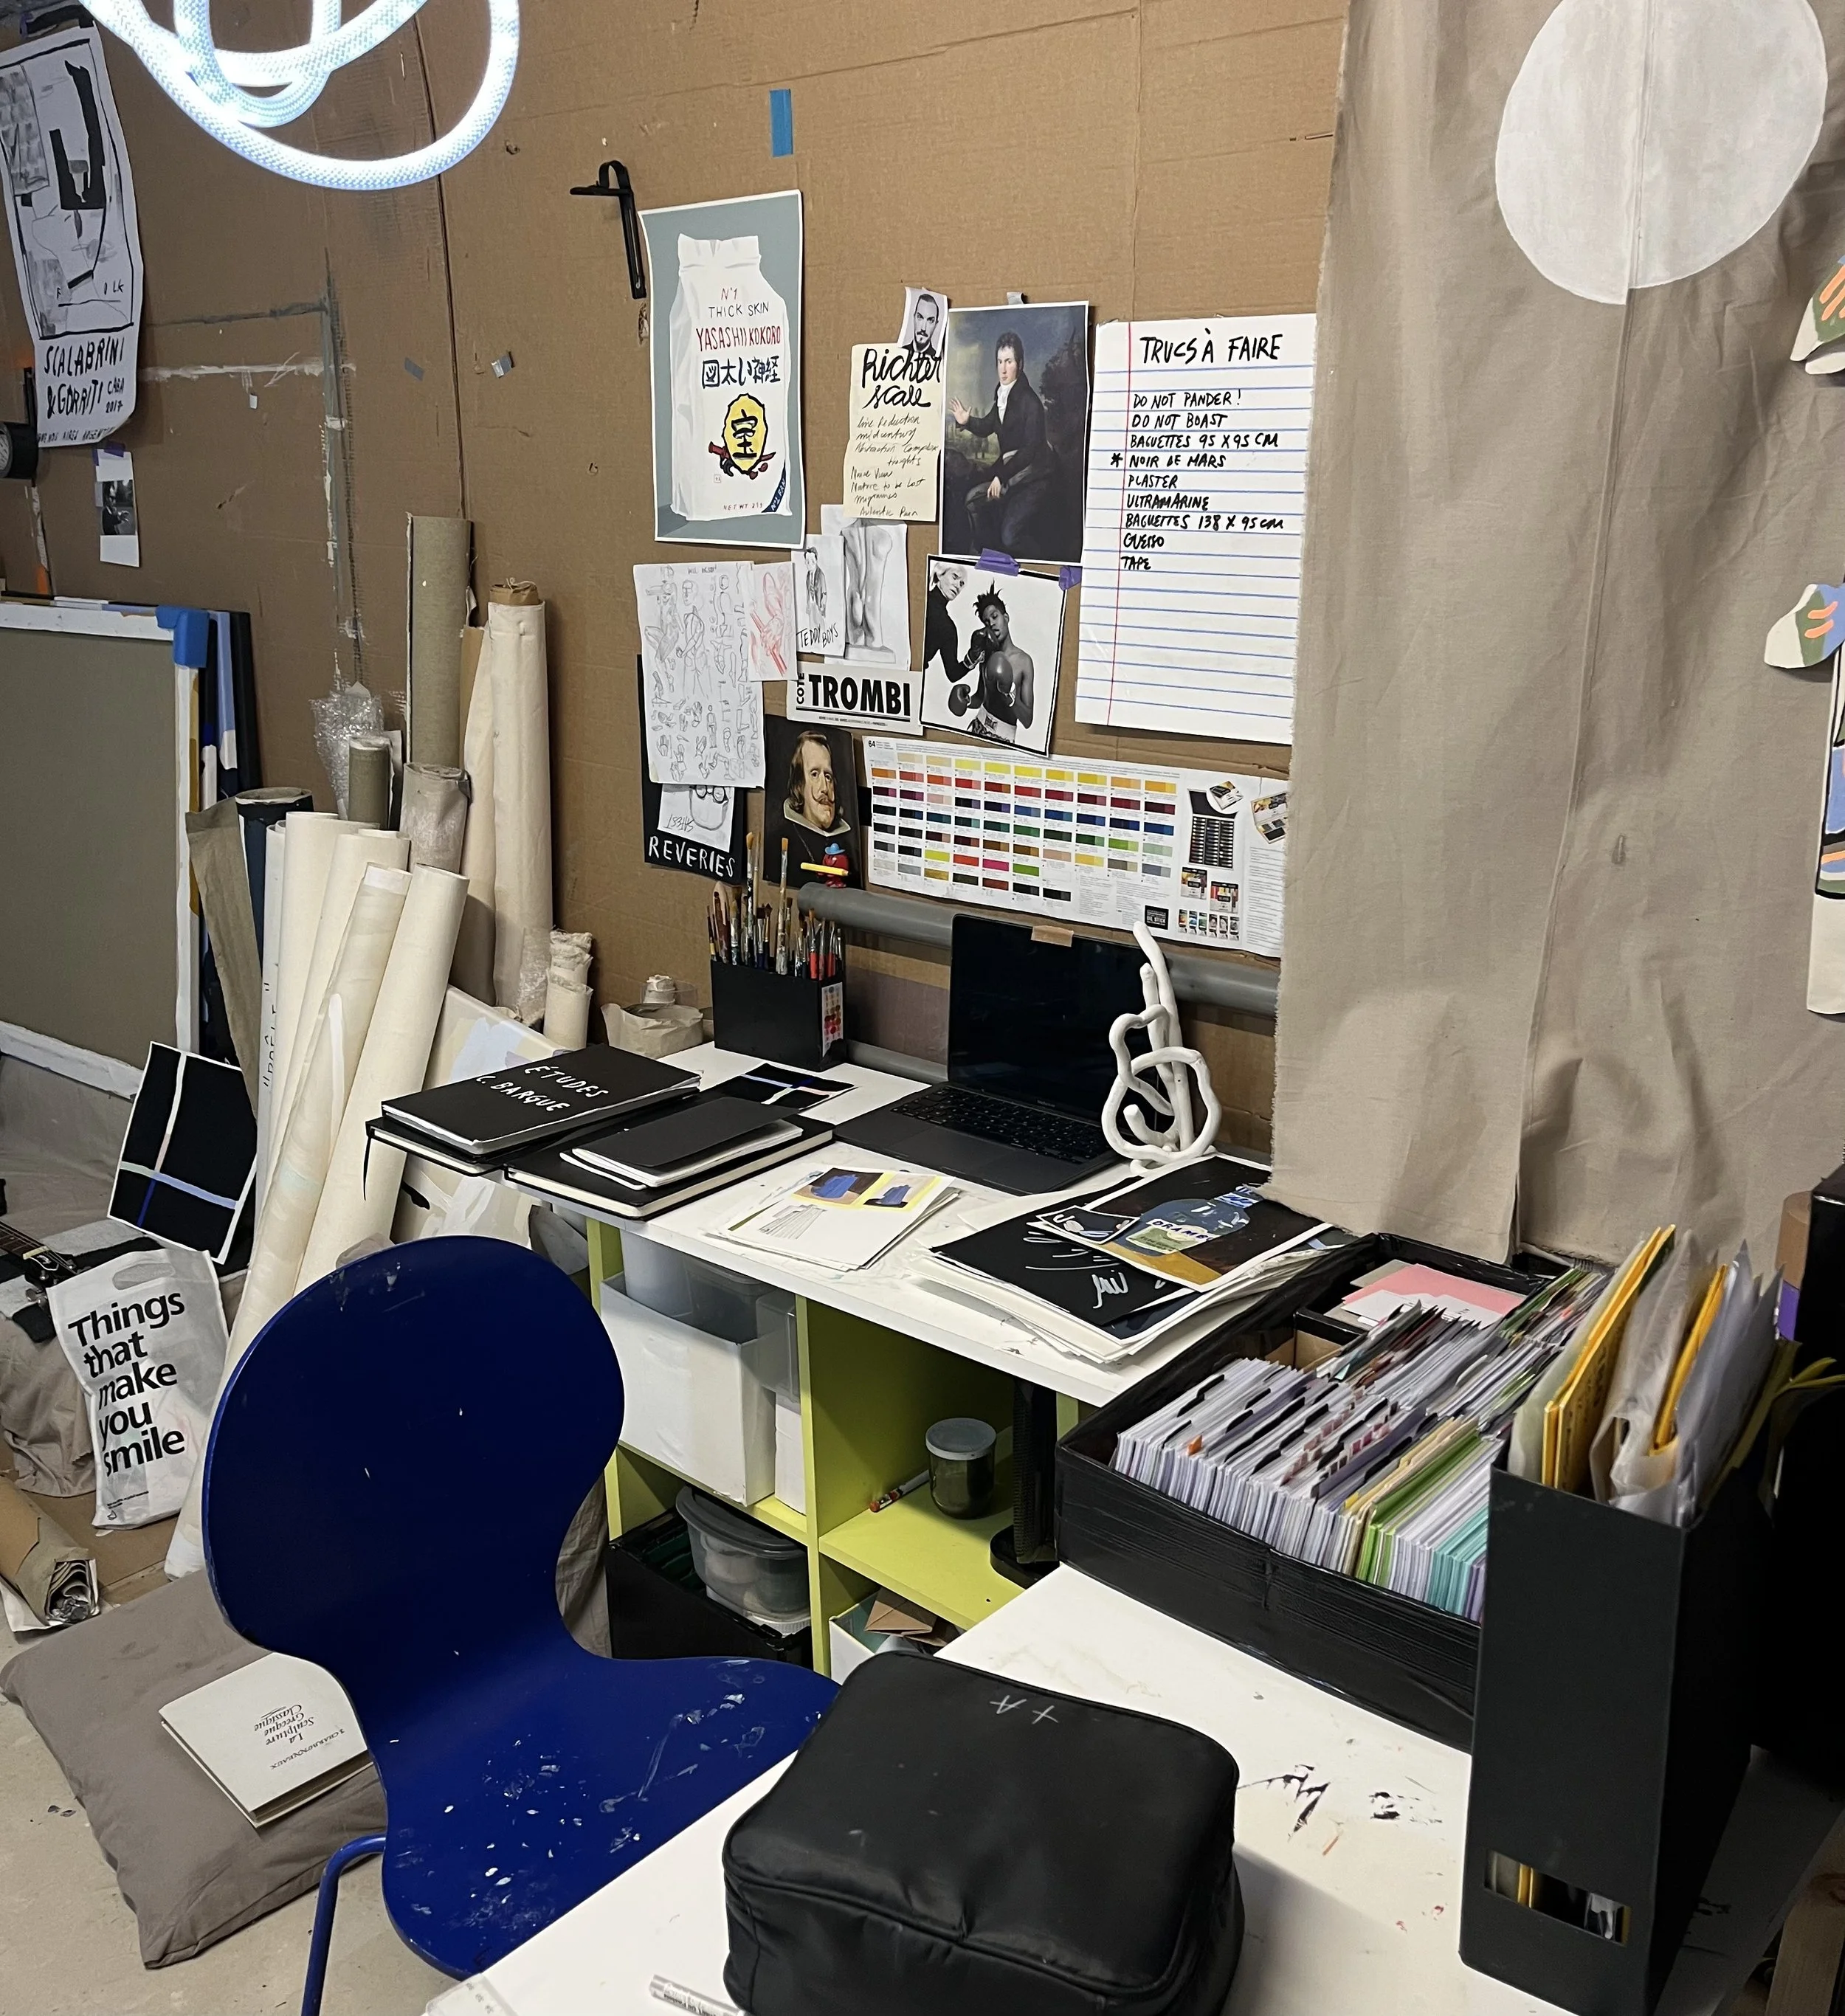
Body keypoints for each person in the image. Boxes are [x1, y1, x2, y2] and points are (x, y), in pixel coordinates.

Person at [949, 330, 1052, 556]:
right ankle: (980, 554)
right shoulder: (1002, 395)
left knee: (1011, 537)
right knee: (972, 501)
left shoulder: (1030, 402)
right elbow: (988, 426)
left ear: (1020, 364)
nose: (1003, 369)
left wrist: (1001, 477)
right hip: (1011, 473)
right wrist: (967, 421)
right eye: (999, 362)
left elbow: (1030, 450)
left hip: (1033, 478)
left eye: (1009, 362)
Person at [950, 589, 1034, 743]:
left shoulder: (1024, 662)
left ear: (1006, 617)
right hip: (978, 726)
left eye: (995, 617)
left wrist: (1009, 694)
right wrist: (967, 701)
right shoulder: (987, 654)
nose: (992, 624)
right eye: (986, 622)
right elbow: (981, 697)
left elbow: (1027, 720)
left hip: (1003, 739)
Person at [784, 728, 852, 840]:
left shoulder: (849, 843)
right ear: (799, 785)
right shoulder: (783, 837)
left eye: (828, 777)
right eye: (814, 774)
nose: (825, 788)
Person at [906, 290, 943, 361]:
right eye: (920, 317)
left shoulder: (940, 360)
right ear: (914, 317)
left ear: (936, 324)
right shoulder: (900, 352)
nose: (923, 328)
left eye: (930, 320)